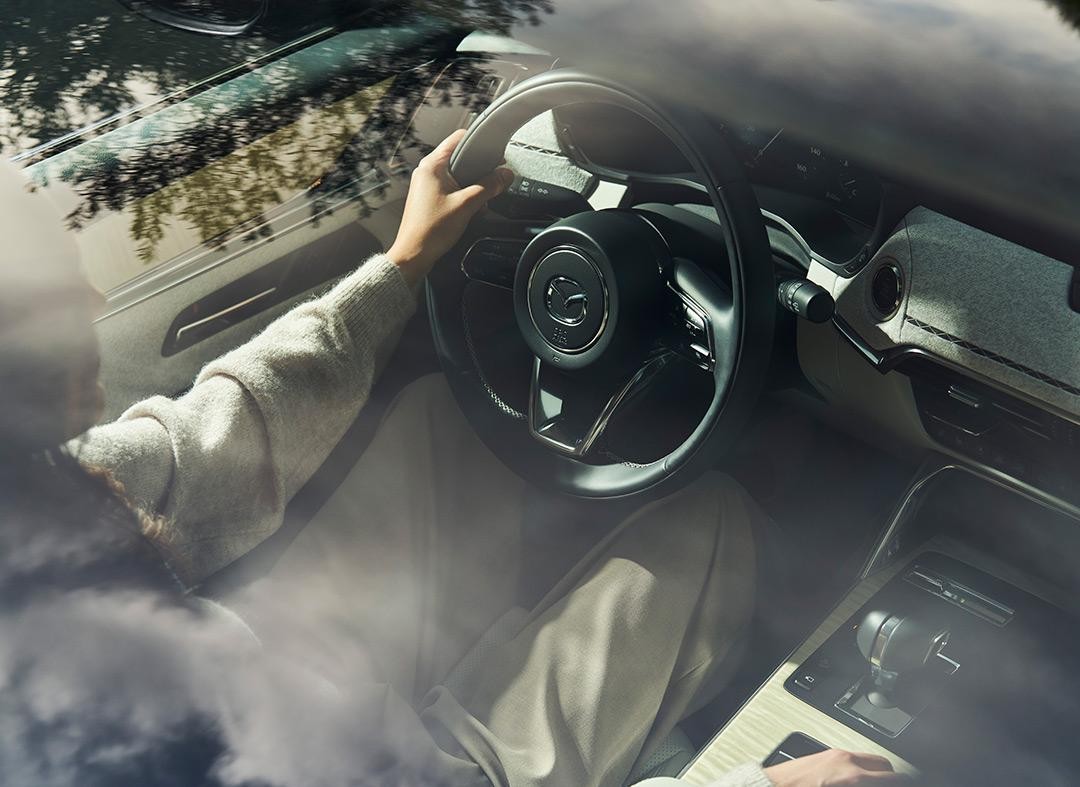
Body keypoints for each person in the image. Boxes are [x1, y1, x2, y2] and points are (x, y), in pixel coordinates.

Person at [0, 129, 904, 787]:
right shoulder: (108, 722)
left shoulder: (39, 485)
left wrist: (401, 264)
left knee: (443, 413)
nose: (87, 290)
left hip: (293, 694)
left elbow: (212, 428)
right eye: (51, 284)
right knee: (708, 521)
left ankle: (493, 670)